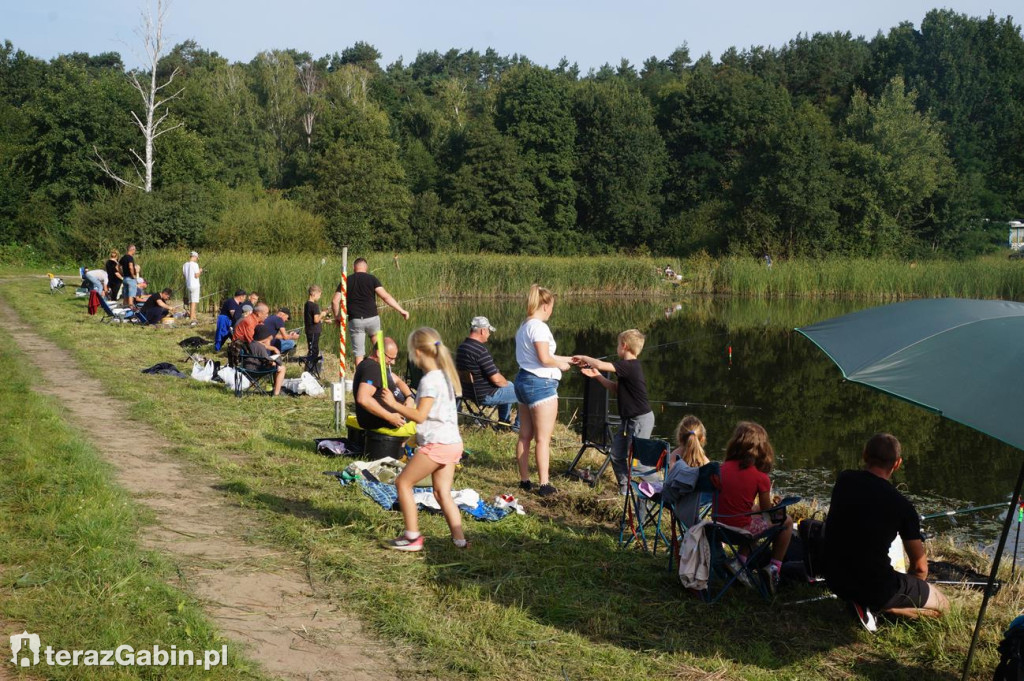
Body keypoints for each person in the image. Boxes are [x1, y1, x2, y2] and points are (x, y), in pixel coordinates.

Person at [824, 433, 949, 625]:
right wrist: (912, 587)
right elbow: (920, 567)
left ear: (865, 455)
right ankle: (884, 607)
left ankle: (869, 602)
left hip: (834, 577)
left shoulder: (844, 479)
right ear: (897, 463)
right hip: (873, 586)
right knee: (944, 606)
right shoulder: (903, 506)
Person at [378, 327, 467, 552]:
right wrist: (414, 438)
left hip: (439, 445)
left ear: (417, 352)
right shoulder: (444, 376)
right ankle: (460, 541)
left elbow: (420, 415)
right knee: (441, 493)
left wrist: (393, 404)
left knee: (403, 483)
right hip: (452, 443)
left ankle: (412, 537)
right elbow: (438, 416)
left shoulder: (429, 381)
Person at [572, 329, 655, 495]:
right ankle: (626, 489)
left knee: (637, 462)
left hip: (640, 420)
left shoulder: (629, 365)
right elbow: (616, 389)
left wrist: (583, 358)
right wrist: (597, 376)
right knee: (617, 454)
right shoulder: (627, 368)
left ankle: (661, 488)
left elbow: (601, 365)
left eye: (618, 344)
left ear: (624, 346)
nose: (617, 348)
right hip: (628, 421)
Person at [717, 421, 793, 593]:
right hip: (741, 531)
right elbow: (769, 515)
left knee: (754, 510)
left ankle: (739, 562)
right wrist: (779, 507)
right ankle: (774, 568)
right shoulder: (760, 477)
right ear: (761, 448)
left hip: (719, 527)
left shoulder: (720, 469)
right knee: (787, 521)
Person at [513, 285, 573, 497]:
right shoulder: (539, 327)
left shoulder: (523, 326)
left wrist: (571, 359)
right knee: (543, 439)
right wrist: (560, 365)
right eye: (552, 307)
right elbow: (545, 359)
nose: (551, 311)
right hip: (541, 385)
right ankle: (545, 484)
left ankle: (524, 480)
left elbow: (541, 356)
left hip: (522, 381)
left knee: (524, 436)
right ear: (545, 306)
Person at [331, 258, 410, 367]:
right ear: (366, 268)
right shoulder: (372, 279)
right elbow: (385, 297)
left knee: (359, 355)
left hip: (356, 320)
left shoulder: (346, 280)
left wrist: (337, 317)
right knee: (379, 349)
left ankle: (360, 379)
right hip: (372, 319)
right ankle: (382, 377)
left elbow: (335, 301)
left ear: (354, 268)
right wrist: (401, 310)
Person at [455, 316, 518, 427]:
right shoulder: (480, 350)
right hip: (484, 396)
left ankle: (503, 423)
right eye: (488, 331)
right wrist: (505, 383)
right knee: (524, 391)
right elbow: (497, 380)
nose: (489, 334)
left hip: (468, 393)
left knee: (510, 385)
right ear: (482, 331)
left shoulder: (462, 348)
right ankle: (518, 427)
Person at [353, 336, 415, 431]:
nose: (393, 362)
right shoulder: (372, 369)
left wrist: (409, 397)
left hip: (402, 409)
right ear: (379, 353)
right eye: (390, 358)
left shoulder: (378, 366)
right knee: (427, 418)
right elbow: (363, 399)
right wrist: (390, 417)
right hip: (387, 422)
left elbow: (398, 381)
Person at [246, 324, 286, 397]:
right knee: (282, 368)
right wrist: (275, 361)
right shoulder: (260, 347)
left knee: (276, 367)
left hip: (247, 369)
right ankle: (276, 393)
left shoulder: (251, 343)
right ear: (264, 337)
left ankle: (275, 388)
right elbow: (268, 361)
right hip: (255, 371)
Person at [304, 285, 327, 374]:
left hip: (310, 330)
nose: (320, 297)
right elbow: (316, 319)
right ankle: (310, 371)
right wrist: (323, 314)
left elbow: (313, 320)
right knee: (313, 351)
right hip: (313, 332)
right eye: (319, 295)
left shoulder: (307, 304)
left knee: (312, 350)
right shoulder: (314, 306)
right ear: (314, 293)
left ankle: (310, 370)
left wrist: (323, 320)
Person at [182, 251, 202, 322]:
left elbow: (184, 275)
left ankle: (194, 316)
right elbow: (196, 276)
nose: (197, 259)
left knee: (191, 301)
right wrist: (200, 271)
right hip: (195, 285)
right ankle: (191, 318)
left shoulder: (185, 265)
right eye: (197, 258)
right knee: (194, 302)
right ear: (194, 257)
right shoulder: (195, 264)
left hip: (188, 285)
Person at [120, 244, 139, 309]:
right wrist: (133, 275)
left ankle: (124, 307)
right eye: (135, 250)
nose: (135, 251)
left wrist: (121, 273)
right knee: (131, 294)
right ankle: (131, 308)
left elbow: (117, 266)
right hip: (130, 278)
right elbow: (130, 266)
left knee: (126, 294)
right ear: (132, 249)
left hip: (125, 278)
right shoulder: (130, 257)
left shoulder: (123, 257)